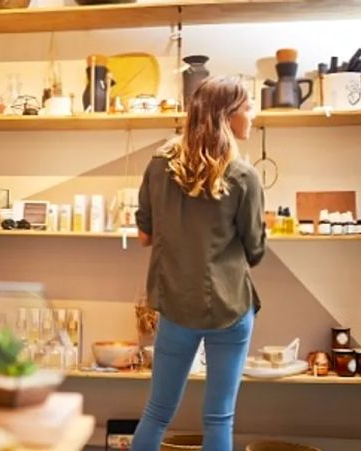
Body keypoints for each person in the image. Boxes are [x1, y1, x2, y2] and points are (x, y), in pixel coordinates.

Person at [130, 76, 266, 451]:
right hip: (230, 308)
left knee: (157, 412)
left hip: (175, 305)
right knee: (219, 417)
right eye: (247, 107)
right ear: (227, 116)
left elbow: (144, 236)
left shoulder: (159, 166)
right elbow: (255, 251)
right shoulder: (244, 177)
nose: (253, 115)